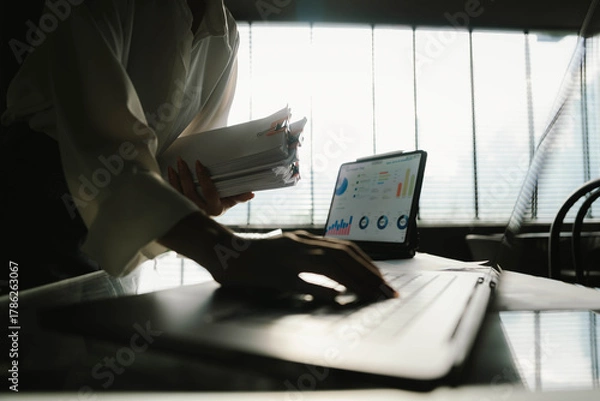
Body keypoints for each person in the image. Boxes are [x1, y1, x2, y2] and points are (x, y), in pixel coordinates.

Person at [1, 0, 396, 300]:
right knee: (29, 360)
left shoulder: (223, 30)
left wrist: (197, 192)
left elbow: (182, 156)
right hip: (36, 202)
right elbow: (104, 150)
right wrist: (228, 249)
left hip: (132, 217)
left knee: (99, 353)